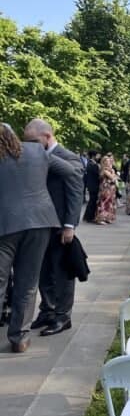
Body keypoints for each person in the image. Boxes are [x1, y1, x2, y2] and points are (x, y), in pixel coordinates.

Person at [0, 123, 79, 352]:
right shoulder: (36, 152)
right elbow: (70, 171)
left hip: (5, 225)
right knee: (28, 282)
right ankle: (19, 338)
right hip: (40, 222)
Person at [24, 119, 84, 337]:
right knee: (43, 271)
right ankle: (47, 311)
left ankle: (62, 316)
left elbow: (76, 193)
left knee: (62, 273)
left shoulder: (68, 158)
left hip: (60, 225)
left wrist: (70, 225)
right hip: (39, 225)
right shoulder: (34, 156)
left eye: (33, 141)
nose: (29, 145)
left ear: (47, 136)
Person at [95, 155, 118, 225]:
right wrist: (114, 175)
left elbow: (115, 177)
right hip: (105, 187)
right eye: (107, 161)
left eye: (109, 161)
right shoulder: (104, 169)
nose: (109, 162)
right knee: (104, 202)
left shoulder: (111, 169)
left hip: (111, 188)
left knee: (110, 202)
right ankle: (100, 218)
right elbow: (113, 178)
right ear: (104, 162)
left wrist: (114, 174)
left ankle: (108, 218)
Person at [82, 150, 101, 222]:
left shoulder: (92, 163)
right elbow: (97, 174)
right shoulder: (91, 164)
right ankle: (89, 217)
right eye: (98, 155)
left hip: (92, 185)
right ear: (93, 156)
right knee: (92, 201)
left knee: (92, 201)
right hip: (93, 185)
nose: (99, 157)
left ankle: (88, 216)